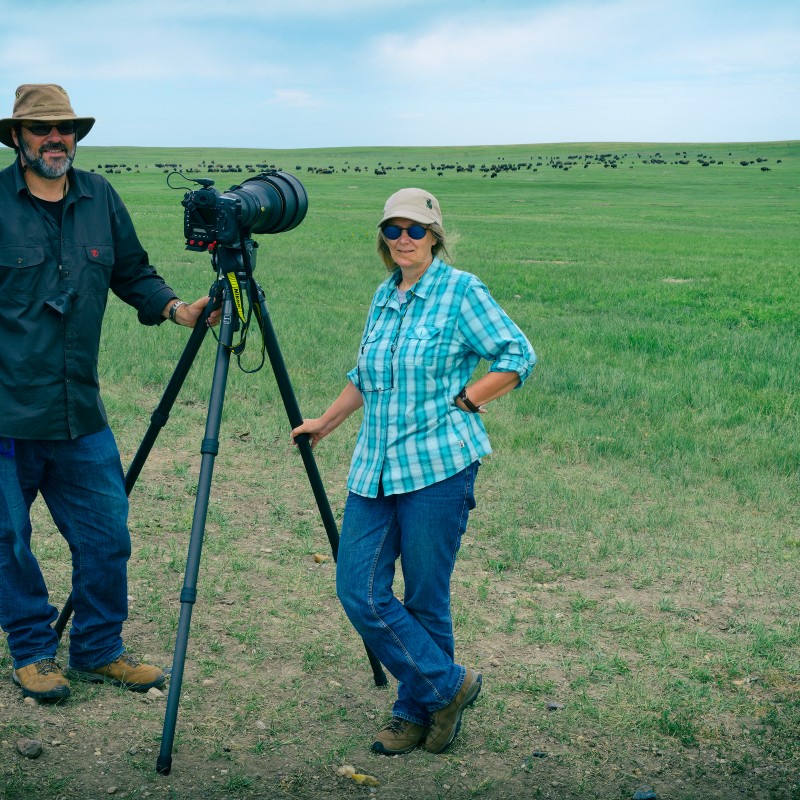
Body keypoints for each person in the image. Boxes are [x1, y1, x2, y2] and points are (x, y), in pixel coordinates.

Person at [291, 187, 535, 755]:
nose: (404, 239)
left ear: (435, 235)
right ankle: (449, 687)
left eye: (415, 229)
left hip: (438, 467)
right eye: (393, 229)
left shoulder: (461, 290)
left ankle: (413, 712)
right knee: (358, 589)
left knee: (426, 595)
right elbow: (365, 374)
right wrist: (326, 422)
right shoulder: (384, 294)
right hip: (374, 466)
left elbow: (517, 354)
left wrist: (471, 398)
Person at [0, 84, 220, 702]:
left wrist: (177, 309)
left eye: (65, 128)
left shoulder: (100, 197)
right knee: (8, 542)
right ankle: (33, 650)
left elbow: (132, 272)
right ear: (17, 137)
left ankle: (98, 649)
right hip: (8, 412)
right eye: (41, 129)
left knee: (106, 536)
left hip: (79, 410)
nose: (55, 139)